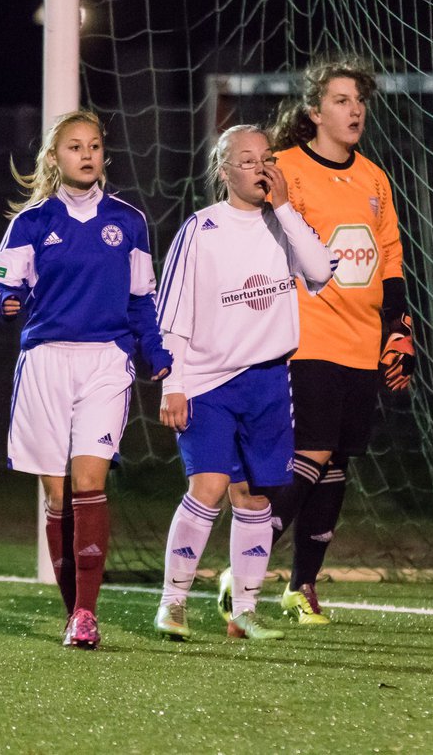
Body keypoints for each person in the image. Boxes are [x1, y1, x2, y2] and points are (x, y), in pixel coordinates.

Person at [219, 54, 414, 625]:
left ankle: (300, 587)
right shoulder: (283, 168)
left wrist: (398, 324)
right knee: (313, 451)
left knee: (336, 464)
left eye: (360, 101)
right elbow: (250, 239)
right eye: (341, 101)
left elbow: (390, 257)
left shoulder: (374, 177)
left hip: (361, 340)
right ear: (314, 112)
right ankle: (246, 564)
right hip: (306, 336)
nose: (355, 111)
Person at [0, 109, 172, 649]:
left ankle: (87, 612)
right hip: (45, 360)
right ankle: (74, 613)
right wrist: (5, 303)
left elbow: (142, 300)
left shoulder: (128, 222)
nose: (85, 154)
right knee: (57, 494)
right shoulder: (33, 224)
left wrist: (154, 351)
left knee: (91, 482)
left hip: (106, 362)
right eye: (73, 147)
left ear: (102, 155)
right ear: (54, 159)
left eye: (93, 146)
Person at [152, 124, 333, 641]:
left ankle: (244, 612)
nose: (260, 168)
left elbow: (320, 271)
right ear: (224, 171)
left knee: (254, 498)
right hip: (209, 384)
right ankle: (173, 604)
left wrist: (286, 210)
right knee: (208, 488)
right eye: (247, 160)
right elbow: (174, 318)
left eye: (267, 158)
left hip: (269, 381)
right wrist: (173, 384)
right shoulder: (201, 229)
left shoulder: (285, 224)